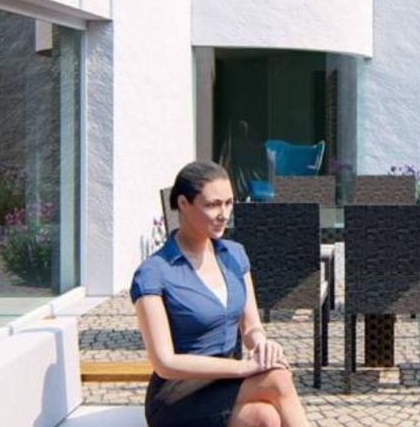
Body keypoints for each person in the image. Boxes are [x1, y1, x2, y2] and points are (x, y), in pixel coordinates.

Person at [131, 160, 310, 427]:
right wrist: (243, 367)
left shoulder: (234, 255)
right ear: (183, 204)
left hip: (223, 383)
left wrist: (262, 345)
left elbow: (251, 327)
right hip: (178, 394)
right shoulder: (154, 272)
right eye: (213, 205)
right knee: (277, 379)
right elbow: (164, 363)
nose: (223, 214)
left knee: (266, 418)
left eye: (228, 203)